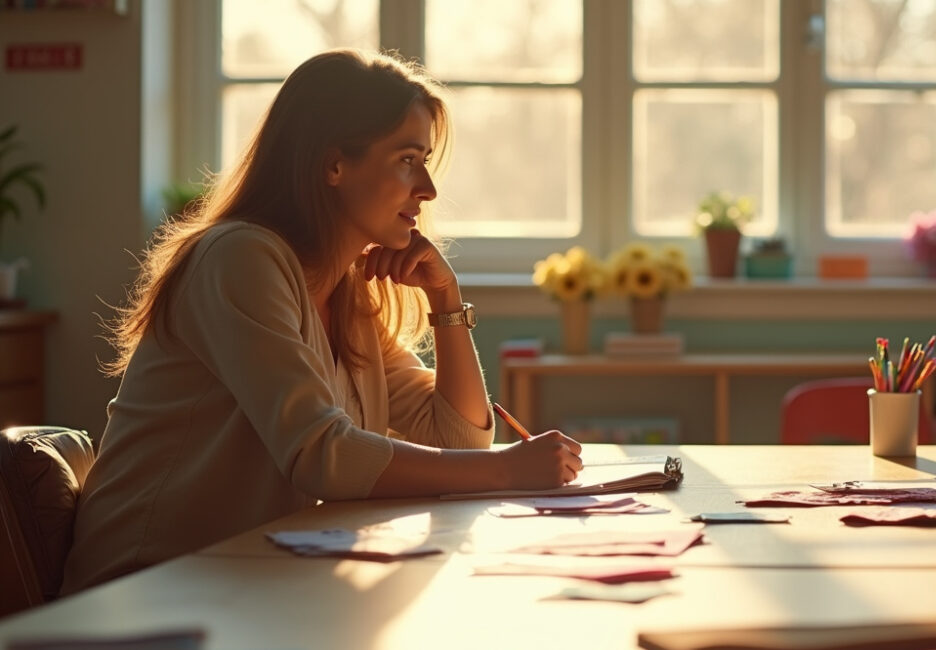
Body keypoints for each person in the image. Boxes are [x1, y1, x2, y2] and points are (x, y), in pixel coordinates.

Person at [61, 48, 583, 594]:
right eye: (407, 159)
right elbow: (321, 455)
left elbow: (457, 439)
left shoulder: (345, 294)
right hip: (145, 593)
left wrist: (446, 301)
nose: (427, 188)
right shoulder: (239, 259)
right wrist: (507, 471)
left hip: (251, 583)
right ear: (334, 165)